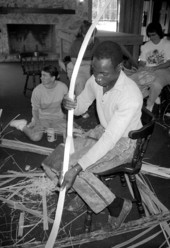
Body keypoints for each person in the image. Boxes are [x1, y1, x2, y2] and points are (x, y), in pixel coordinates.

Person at [43, 41, 143, 229]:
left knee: (76, 170)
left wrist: (77, 168)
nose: (97, 78)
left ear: (120, 68)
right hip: (103, 130)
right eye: (95, 71)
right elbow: (80, 107)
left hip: (124, 143)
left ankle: (117, 205)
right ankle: (86, 193)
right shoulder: (97, 80)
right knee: (58, 159)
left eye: (104, 73)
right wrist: (69, 104)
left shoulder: (130, 95)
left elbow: (110, 140)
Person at [10, 65, 68, 142]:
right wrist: (37, 123)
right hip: (42, 118)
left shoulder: (63, 87)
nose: (41, 78)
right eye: (41, 75)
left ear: (53, 78)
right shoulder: (37, 91)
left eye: (44, 76)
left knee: (72, 133)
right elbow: (35, 109)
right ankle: (21, 126)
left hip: (57, 117)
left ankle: (49, 128)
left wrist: (65, 118)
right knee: (35, 137)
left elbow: (66, 105)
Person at [131, 22, 170, 112]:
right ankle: (151, 94)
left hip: (164, 70)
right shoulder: (146, 46)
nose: (151, 38)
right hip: (148, 69)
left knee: (155, 84)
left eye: (154, 35)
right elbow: (143, 62)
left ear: (159, 33)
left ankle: (149, 105)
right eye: (150, 35)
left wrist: (155, 68)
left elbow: (169, 62)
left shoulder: (167, 44)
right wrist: (140, 67)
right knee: (131, 80)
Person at [67, 20, 99, 118]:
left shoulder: (97, 41)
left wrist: (91, 63)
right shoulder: (77, 42)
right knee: (80, 82)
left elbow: (99, 58)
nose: (90, 38)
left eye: (92, 35)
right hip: (78, 67)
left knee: (98, 82)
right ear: (83, 34)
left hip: (92, 66)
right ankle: (80, 107)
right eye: (87, 35)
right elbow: (74, 61)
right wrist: (89, 62)